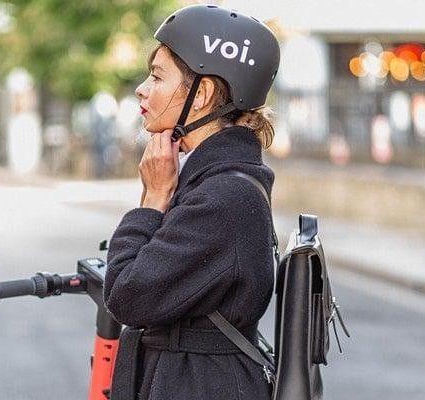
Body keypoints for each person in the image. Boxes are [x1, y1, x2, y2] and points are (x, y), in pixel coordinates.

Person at [102, 4, 281, 400]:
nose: (142, 88)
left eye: (157, 76)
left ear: (200, 95)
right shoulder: (212, 181)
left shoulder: (223, 198)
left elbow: (128, 297)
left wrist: (152, 200)